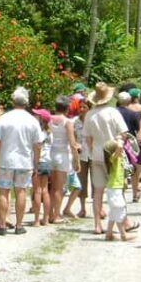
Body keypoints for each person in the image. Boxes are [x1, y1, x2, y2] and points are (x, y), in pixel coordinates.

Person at [85, 82, 138, 235]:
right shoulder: (113, 113)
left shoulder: (90, 114)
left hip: (96, 154)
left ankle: (97, 225)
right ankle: (124, 222)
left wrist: (92, 150)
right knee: (116, 189)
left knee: (98, 191)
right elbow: (123, 134)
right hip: (113, 154)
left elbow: (88, 138)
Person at [0, 87, 42, 235]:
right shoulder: (32, 121)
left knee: (3, 191)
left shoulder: (4, 118)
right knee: (21, 191)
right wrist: (36, 163)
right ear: (26, 102)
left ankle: (2, 224)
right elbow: (37, 145)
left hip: (6, 160)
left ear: (13, 101)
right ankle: (19, 225)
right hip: (24, 161)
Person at [48, 95, 79, 223]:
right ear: (67, 108)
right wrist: (76, 160)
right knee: (59, 188)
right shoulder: (67, 122)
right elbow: (72, 143)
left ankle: (49, 213)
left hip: (50, 154)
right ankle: (56, 215)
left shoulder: (48, 120)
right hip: (62, 155)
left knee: (51, 187)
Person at [103, 139, 135, 242]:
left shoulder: (118, 157)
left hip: (115, 188)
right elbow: (120, 147)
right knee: (119, 209)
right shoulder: (113, 158)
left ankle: (109, 234)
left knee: (114, 211)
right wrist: (119, 142)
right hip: (114, 188)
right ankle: (123, 234)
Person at [64, 99, 91, 218]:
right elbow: (72, 138)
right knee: (82, 181)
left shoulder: (93, 121)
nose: (82, 109)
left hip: (94, 153)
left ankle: (99, 208)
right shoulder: (74, 121)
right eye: (80, 107)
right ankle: (83, 208)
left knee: (96, 182)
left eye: (84, 107)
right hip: (81, 154)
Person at [116, 91, 141, 202]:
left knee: (119, 167)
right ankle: (135, 193)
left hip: (117, 141)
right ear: (129, 101)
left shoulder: (114, 113)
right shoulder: (133, 114)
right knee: (134, 168)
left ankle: (121, 193)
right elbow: (138, 129)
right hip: (130, 143)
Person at [31, 108, 52, 227]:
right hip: (47, 162)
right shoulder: (50, 133)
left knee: (37, 191)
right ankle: (46, 218)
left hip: (38, 162)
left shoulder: (38, 133)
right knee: (45, 190)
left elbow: (37, 148)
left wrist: (35, 163)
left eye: (37, 116)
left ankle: (36, 220)